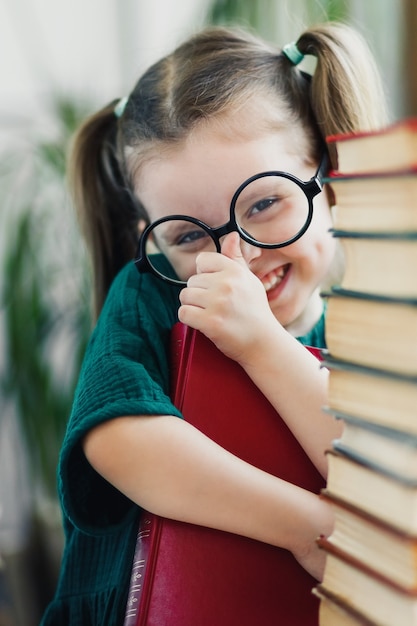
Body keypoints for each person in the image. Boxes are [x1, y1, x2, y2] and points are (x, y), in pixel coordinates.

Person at [40, 20, 388, 625]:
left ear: (328, 174)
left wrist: (263, 346)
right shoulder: (151, 296)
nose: (237, 260)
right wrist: (309, 528)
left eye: (264, 203)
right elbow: (119, 442)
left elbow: (374, 479)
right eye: (190, 236)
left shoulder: (372, 333)